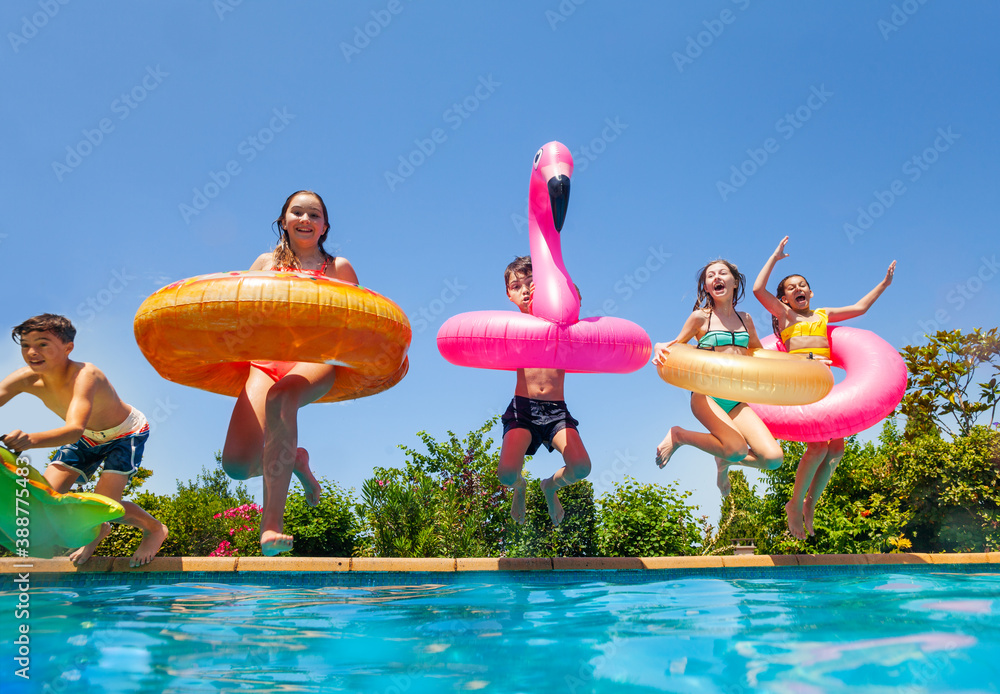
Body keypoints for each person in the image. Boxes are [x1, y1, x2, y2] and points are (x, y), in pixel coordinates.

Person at [220, 190, 357, 555]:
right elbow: (241, 312)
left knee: (282, 398)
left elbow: (356, 324)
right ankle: (294, 460)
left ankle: (271, 527)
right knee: (235, 465)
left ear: (325, 226)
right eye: (297, 212)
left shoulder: (339, 268)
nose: (305, 219)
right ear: (284, 220)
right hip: (266, 360)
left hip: (316, 358)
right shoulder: (264, 263)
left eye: (314, 214)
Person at [753, 235, 896, 539]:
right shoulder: (785, 315)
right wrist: (775, 259)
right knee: (818, 446)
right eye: (790, 288)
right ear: (784, 300)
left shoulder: (823, 314)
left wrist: (883, 285)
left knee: (837, 450)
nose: (797, 289)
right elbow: (757, 290)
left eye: (802, 285)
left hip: (827, 383)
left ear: (811, 292)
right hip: (803, 383)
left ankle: (809, 504)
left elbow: (860, 308)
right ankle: (793, 504)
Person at [0, 314, 168, 566]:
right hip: (89, 436)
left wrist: (30, 440)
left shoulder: (86, 375)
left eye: (42, 344)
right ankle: (99, 530)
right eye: (25, 345)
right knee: (48, 498)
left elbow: (73, 430)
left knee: (106, 504)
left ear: (68, 348)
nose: (32, 352)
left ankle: (154, 529)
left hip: (125, 433)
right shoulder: (24, 378)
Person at [653, 260, 785, 496]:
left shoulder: (746, 319)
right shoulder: (700, 318)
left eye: (723, 273)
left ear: (734, 282)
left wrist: (802, 362)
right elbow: (674, 345)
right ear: (706, 287)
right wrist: (658, 346)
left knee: (773, 458)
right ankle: (679, 435)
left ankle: (723, 460)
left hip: (734, 398)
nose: (716, 277)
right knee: (736, 448)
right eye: (710, 275)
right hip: (706, 394)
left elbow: (756, 352)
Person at [498, 256, 592, 526]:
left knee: (581, 467)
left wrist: (562, 288)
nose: (525, 290)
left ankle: (550, 486)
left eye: (531, 283)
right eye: (517, 286)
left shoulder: (559, 321)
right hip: (523, 408)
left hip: (555, 410)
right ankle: (520, 486)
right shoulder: (511, 327)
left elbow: (573, 293)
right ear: (509, 294)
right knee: (506, 474)